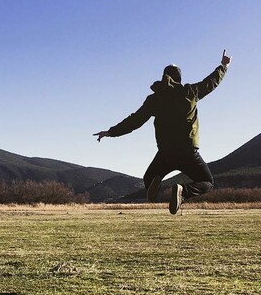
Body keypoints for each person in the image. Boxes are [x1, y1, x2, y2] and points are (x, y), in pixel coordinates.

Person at [94, 50, 232, 214]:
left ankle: (157, 189)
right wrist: (224, 65)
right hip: (188, 152)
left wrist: (111, 132)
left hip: (165, 153)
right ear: (179, 79)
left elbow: (135, 120)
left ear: (163, 77)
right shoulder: (190, 92)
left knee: (148, 179)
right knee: (207, 182)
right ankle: (183, 191)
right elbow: (211, 82)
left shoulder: (154, 100)